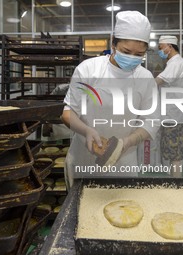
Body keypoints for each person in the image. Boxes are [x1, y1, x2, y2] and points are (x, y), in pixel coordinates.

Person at [61, 11, 160, 188]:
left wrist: (126, 142)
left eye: (139, 54)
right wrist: (86, 131)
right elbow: (68, 113)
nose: (132, 58)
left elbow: (151, 121)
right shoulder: (89, 70)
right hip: (84, 159)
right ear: (113, 42)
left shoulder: (145, 78)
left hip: (123, 162)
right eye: (126, 51)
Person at [155, 35, 183, 177]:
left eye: (161, 47)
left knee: (174, 153)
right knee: (172, 152)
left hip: (175, 116)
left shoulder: (176, 63)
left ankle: (176, 184)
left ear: (169, 47)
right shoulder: (172, 63)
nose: (160, 51)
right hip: (172, 114)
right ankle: (173, 181)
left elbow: (159, 81)